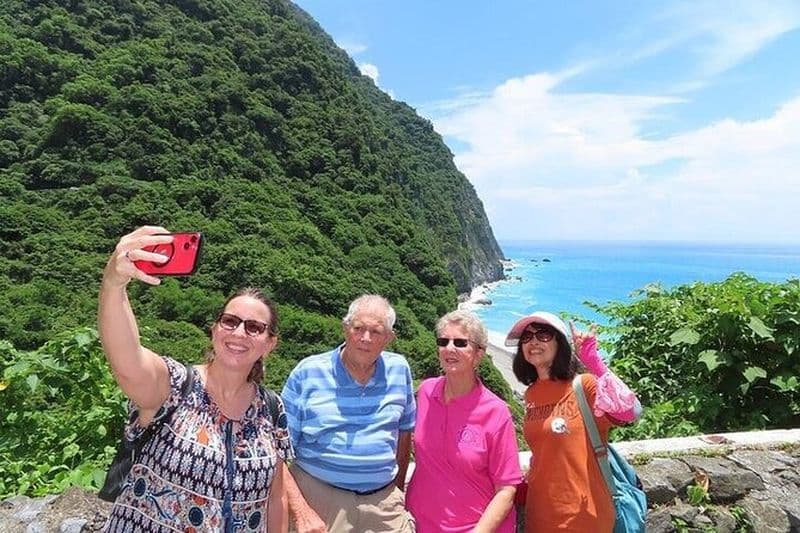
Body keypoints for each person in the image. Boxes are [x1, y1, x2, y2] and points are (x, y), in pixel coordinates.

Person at [98, 226, 293, 532]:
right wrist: (113, 284)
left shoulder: (272, 408)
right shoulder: (176, 385)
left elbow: (275, 498)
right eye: (230, 321)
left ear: (270, 343)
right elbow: (128, 363)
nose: (239, 333)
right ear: (215, 330)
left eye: (254, 327)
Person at [281, 294, 417, 533]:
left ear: (389, 338)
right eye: (358, 328)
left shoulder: (399, 369)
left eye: (375, 332)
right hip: (319, 501)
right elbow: (276, 451)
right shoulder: (308, 372)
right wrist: (301, 510)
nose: (365, 338)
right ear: (345, 329)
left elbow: (404, 432)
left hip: (383, 505)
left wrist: (396, 490)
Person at [506, 311, 642, 532]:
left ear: (560, 342)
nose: (533, 342)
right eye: (527, 338)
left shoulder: (583, 386)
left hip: (585, 516)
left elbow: (631, 411)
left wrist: (593, 360)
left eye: (543, 335)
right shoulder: (531, 394)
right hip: (539, 514)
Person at [406, 310, 523, 532]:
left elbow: (507, 489)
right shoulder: (426, 392)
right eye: (443, 341)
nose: (450, 348)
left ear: (478, 354)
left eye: (460, 342)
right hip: (420, 525)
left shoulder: (495, 412)